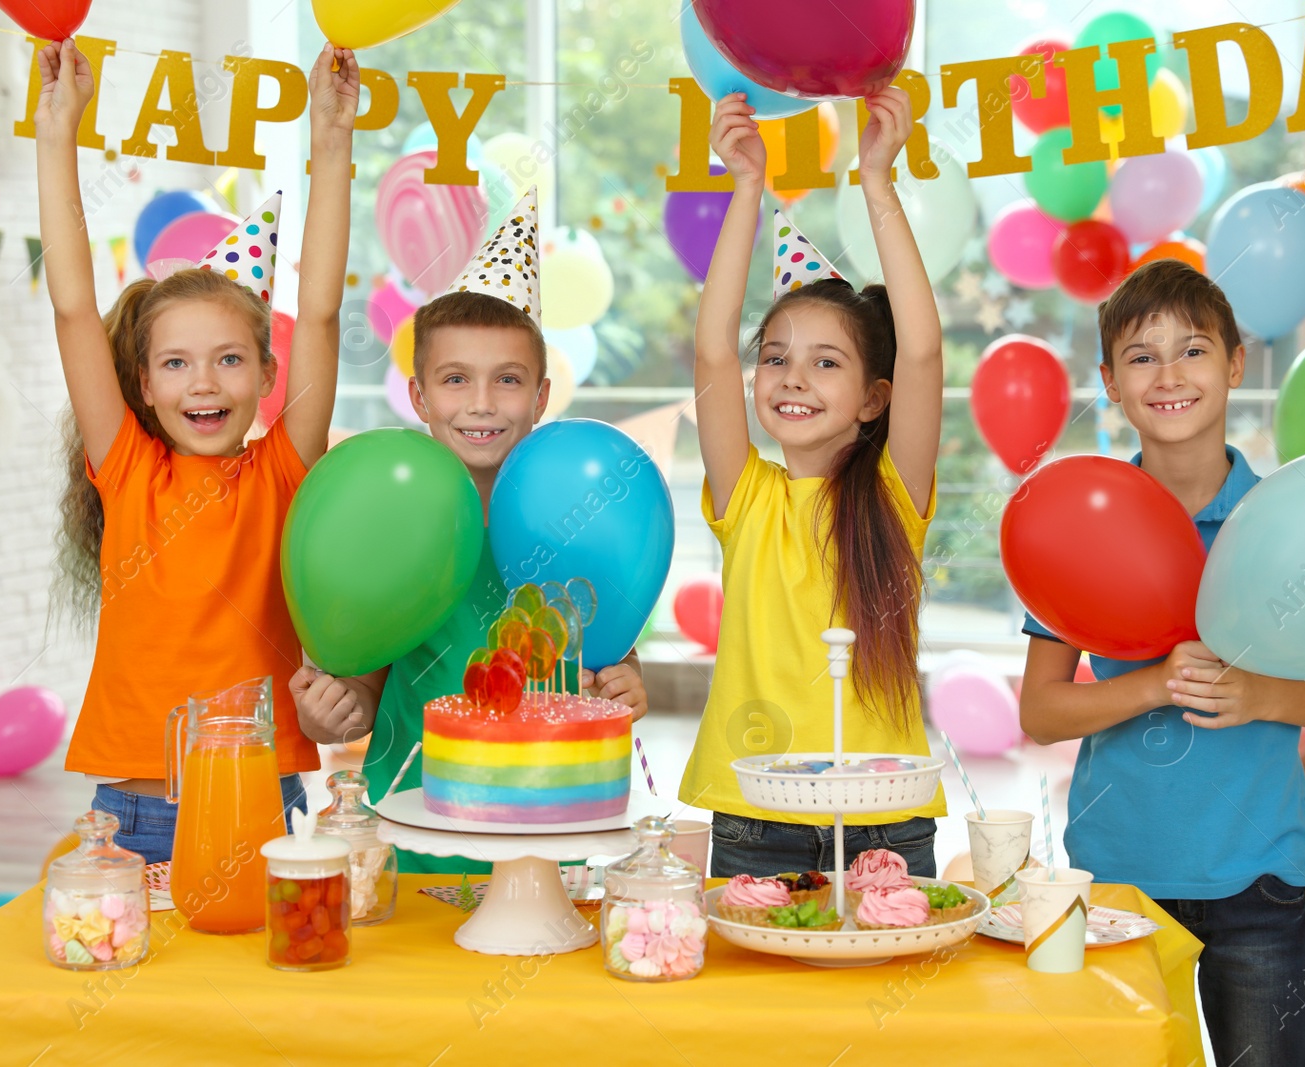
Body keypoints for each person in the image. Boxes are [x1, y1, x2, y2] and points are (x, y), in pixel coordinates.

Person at [1019, 257, 1305, 1067]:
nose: (1169, 373)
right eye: (1141, 356)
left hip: (1262, 887)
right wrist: (1153, 684)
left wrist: (1262, 693)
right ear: (1109, 380)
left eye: (1194, 349)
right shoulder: (1083, 526)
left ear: (1237, 362)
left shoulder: (1286, 526)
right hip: (1115, 885)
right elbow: (1040, 712)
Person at [36, 37, 360, 861]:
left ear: (266, 374)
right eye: (176, 363)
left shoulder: (286, 469)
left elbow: (319, 311)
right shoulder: (128, 468)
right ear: (142, 383)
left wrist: (332, 147)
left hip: (262, 805)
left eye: (228, 360)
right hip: (134, 815)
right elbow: (75, 308)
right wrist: (56, 137)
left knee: (258, 993)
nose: (203, 384)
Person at [289, 191, 649, 873]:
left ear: (541, 396)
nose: (482, 402)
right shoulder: (393, 525)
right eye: (456, 379)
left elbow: (606, 664)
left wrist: (625, 685)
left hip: (550, 853)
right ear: (420, 396)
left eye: (507, 380)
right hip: (412, 846)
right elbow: (359, 692)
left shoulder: (578, 515)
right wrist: (330, 711)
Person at [676, 89, 946, 879]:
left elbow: (923, 352)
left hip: (883, 820)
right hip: (755, 819)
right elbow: (712, 354)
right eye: (777, 356)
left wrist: (876, 181)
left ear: (873, 398)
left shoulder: (896, 495)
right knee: (761, 1007)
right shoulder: (746, 495)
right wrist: (747, 190)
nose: (792, 376)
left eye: (826, 361)